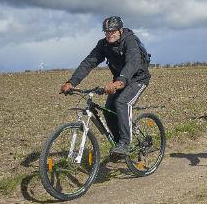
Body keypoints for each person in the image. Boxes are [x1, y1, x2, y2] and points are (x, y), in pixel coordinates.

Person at [60, 16, 150, 156]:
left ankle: (125, 143)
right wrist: (71, 82)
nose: (109, 34)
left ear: (120, 30)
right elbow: (88, 63)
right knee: (108, 109)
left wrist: (120, 81)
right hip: (119, 81)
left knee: (122, 102)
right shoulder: (103, 45)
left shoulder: (130, 41)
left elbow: (132, 62)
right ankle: (118, 144)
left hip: (137, 79)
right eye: (107, 32)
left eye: (113, 31)